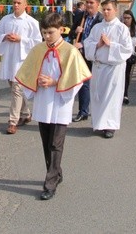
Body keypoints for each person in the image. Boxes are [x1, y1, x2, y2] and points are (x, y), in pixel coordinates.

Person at [15, 12, 91, 201]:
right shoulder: (38, 49)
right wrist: (36, 81)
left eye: (50, 32)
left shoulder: (70, 51)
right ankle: (56, 171)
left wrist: (55, 82)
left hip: (59, 102)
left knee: (56, 143)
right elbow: (27, 72)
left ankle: (50, 182)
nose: (46, 36)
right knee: (46, 142)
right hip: (42, 101)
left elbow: (78, 78)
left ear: (61, 30)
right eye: (44, 33)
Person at [0, 0, 42, 134]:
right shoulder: (6, 19)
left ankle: (12, 121)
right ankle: (26, 114)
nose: (16, 5)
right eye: (14, 2)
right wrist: (4, 37)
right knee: (14, 87)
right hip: (9, 58)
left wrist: (21, 39)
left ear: (25, 5)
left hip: (22, 60)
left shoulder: (31, 22)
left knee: (17, 89)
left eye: (19, 3)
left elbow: (37, 41)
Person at [84, 0, 134, 139]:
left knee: (111, 97)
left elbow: (127, 49)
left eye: (109, 9)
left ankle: (110, 126)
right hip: (99, 66)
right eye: (104, 9)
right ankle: (99, 123)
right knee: (98, 95)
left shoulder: (121, 28)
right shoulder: (97, 27)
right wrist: (97, 45)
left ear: (115, 10)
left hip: (113, 68)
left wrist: (110, 44)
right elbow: (87, 43)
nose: (105, 12)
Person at [70, 0, 103, 122]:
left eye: (91, 3)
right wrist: (75, 31)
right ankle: (83, 111)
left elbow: (100, 39)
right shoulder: (80, 16)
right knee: (83, 82)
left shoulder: (101, 19)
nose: (88, 5)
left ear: (97, 4)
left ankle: (98, 111)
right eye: (87, 2)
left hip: (95, 55)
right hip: (81, 55)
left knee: (96, 84)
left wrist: (83, 44)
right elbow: (71, 33)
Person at [121, 10, 136, 104]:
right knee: (120, 75)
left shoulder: (135, 28)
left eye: (128, 18)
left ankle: (125, 94)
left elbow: (133, 42)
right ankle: (119, 94)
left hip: (129, 54)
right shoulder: (120, 27)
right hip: (120, 55)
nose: (126, 20)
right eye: (125, 18)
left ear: (132, 18)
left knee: (126, 75)